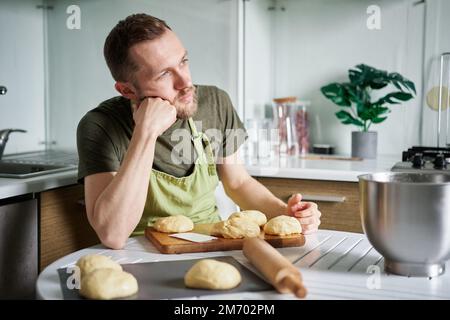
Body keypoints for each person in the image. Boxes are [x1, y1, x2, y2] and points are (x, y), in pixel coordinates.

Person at [77, 13, 321, 249]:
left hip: (212, 242)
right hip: (139, 251)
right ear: (127, 91)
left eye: (183, 61)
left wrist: (286, 214)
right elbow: (113, 235)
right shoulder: (100, 126)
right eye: (164, 74)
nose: (185, 83)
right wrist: (146, 132)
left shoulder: (216, 102)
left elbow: (238, 182)